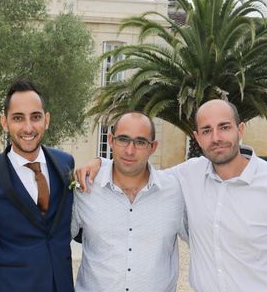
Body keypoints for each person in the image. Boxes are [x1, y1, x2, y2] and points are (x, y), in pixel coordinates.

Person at [78, 99, 267, 292]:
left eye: (224, 127)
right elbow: (135, 167)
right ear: (197, 137)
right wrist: (101, 163)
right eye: (207, 131)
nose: (216, 138)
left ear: (240, 129)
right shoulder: (187, 175)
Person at [0, 79, 75, 292]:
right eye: (18, 118)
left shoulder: (66, 163)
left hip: (61, 284)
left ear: (47, 120)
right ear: (4, 122)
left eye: (35, 117)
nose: (28, 127)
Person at [71, 112, 186, 292]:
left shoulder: (175, 191)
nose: (130, 150)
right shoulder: (85, 188)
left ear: (153, 147)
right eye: (123, 139)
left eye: (140, 142)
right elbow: (54, 242)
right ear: (110, 140)